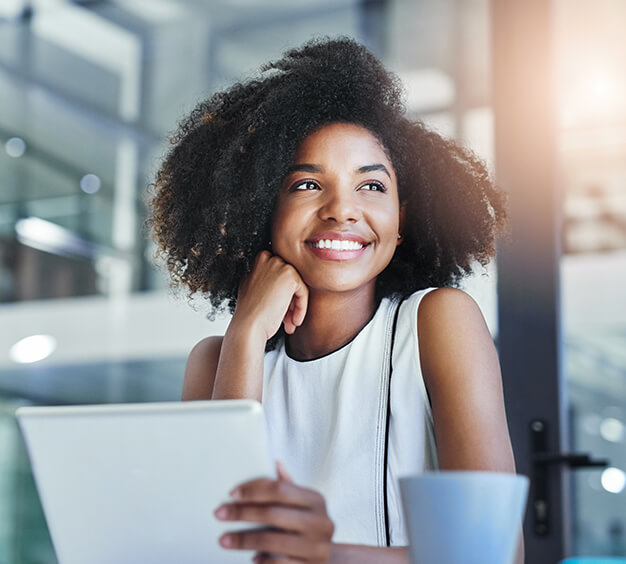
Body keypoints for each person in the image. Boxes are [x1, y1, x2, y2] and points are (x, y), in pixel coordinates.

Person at [149, 37, 520, 564]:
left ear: (403, 218)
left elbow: (496, 553)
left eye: (371, 186)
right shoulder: (218, 358)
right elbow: (220, 547)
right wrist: (247, 333)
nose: (343, 210)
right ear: (260, 208)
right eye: (306, 185)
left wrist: (328, 556)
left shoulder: (436, 321)